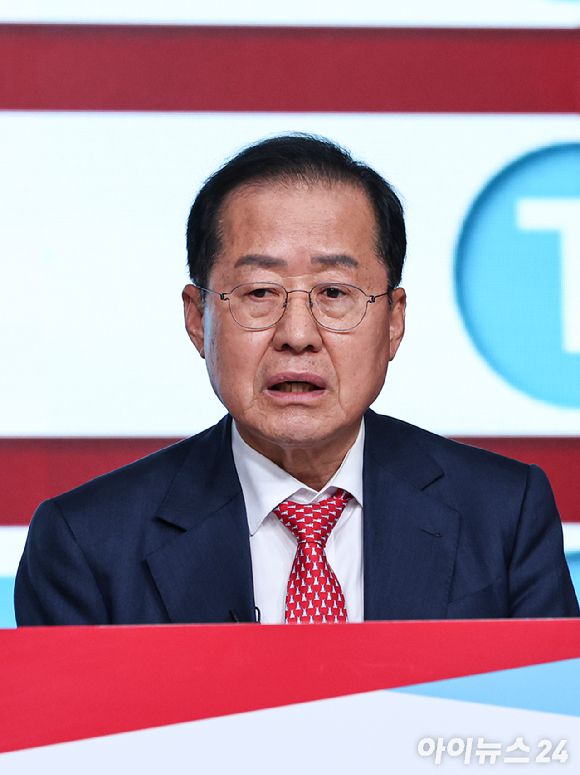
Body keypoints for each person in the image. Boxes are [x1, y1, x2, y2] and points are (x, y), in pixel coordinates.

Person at [15, 134, 579, 625]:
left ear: (393, 321)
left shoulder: (503, 515)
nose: (298, 335)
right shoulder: (86, 544)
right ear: (196, 317)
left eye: (334, 293)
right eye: (260, 292)